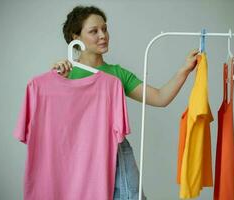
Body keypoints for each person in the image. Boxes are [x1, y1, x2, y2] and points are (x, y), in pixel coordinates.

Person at [53, 5, 199, 200]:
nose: (103, 35)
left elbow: (161, 97)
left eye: (104, 29)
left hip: (116, 154)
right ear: (75, 37)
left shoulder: (117, 74)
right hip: (80, 155)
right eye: (94, 31)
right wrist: (57, 80)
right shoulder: (65, 73)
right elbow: (56, 125)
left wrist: (185, 69)